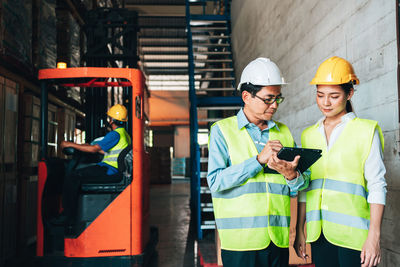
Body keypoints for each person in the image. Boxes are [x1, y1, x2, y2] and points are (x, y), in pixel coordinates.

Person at [207, 57, 310, 267]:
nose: (274, 105)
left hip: (277, 239)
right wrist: (257, 160)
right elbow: (215, 181)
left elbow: (302, 184)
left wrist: (292, 176)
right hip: (241, 243)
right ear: (246, 96)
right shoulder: (222, 131)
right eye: (267, 99)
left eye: (278, 99)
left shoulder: (284, 132)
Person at [294, 56, 386, 267]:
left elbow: (377, 185)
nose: (325, 103)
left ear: (349, 93)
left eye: (334, 96)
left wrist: (374, 237)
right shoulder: (309, 135)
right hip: (319, 235)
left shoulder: (366, 131)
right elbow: (305, 187)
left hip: (355, 237)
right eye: (320, 95)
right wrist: (300, 230)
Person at [57, 103, 131, 224]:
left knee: (73, 176)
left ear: (111, 120)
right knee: (79, 174)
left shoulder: (114, 134)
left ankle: (67, 216)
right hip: (113, 170)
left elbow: (94, 149)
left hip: (110, 170)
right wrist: (84, 146)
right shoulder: (124, 135)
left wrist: (70, 144)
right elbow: (101, 149)